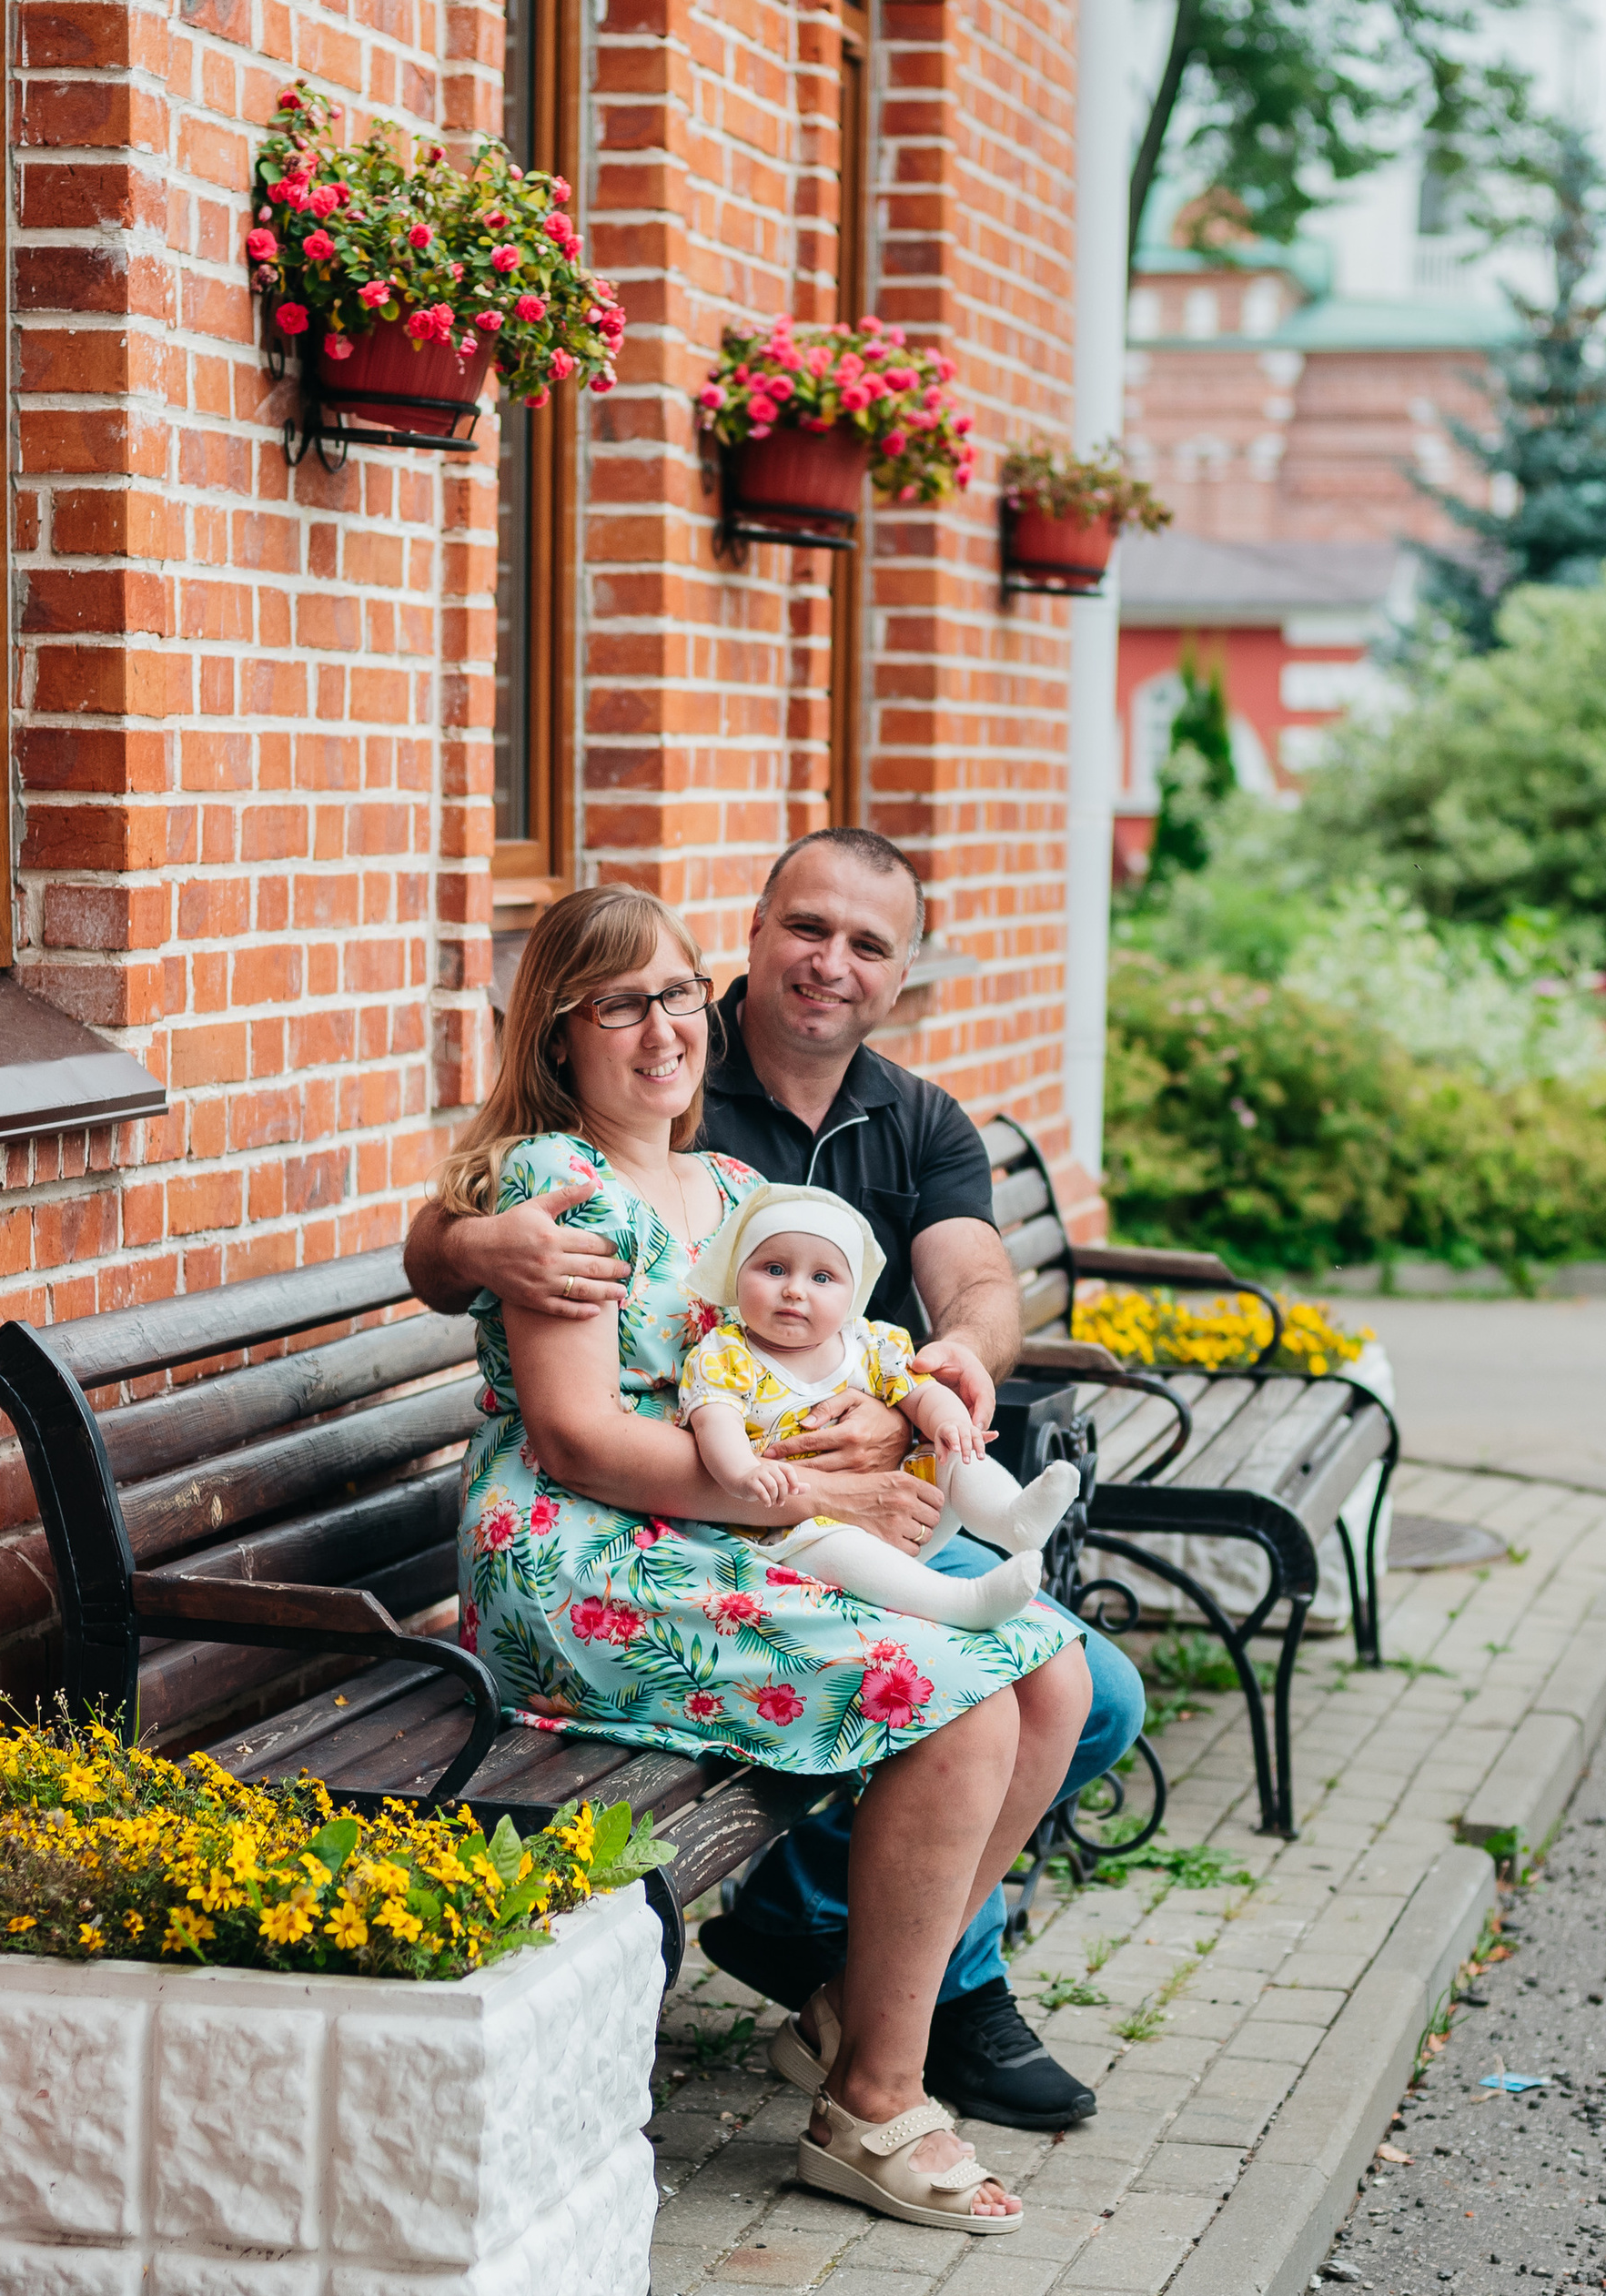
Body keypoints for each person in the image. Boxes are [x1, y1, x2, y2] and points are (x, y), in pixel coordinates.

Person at [406, 827, 1145, 2130]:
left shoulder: (839, 1144)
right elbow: (544, 1374)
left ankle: (870, 2002)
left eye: (868, 946)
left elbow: (962, 1286)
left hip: (775, 1499)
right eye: (808, 931)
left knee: (1072, 1682)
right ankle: (891, 2060)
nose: (830, 965)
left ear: (901, 973)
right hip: (641, 1527)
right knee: (977, 1698)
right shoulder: (574, 1166)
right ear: (752, 942)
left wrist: (932, 1383)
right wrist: (469, 1239)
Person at [677, 1181, 1081, 1625]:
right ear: (738, 1274)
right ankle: (961, 1603)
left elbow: (923, 1392)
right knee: (837, 1545)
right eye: (773, 1269)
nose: (794, 1290)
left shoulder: (870, 1344)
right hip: (796, 1527)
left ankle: (1011, 1518)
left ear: (852, 1296)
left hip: (901, 1507)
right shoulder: (725, 1355)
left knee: (953, 1450)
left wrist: (948, 1421)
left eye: (822, 1278)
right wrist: (745, 1472)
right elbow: (716, 1423)